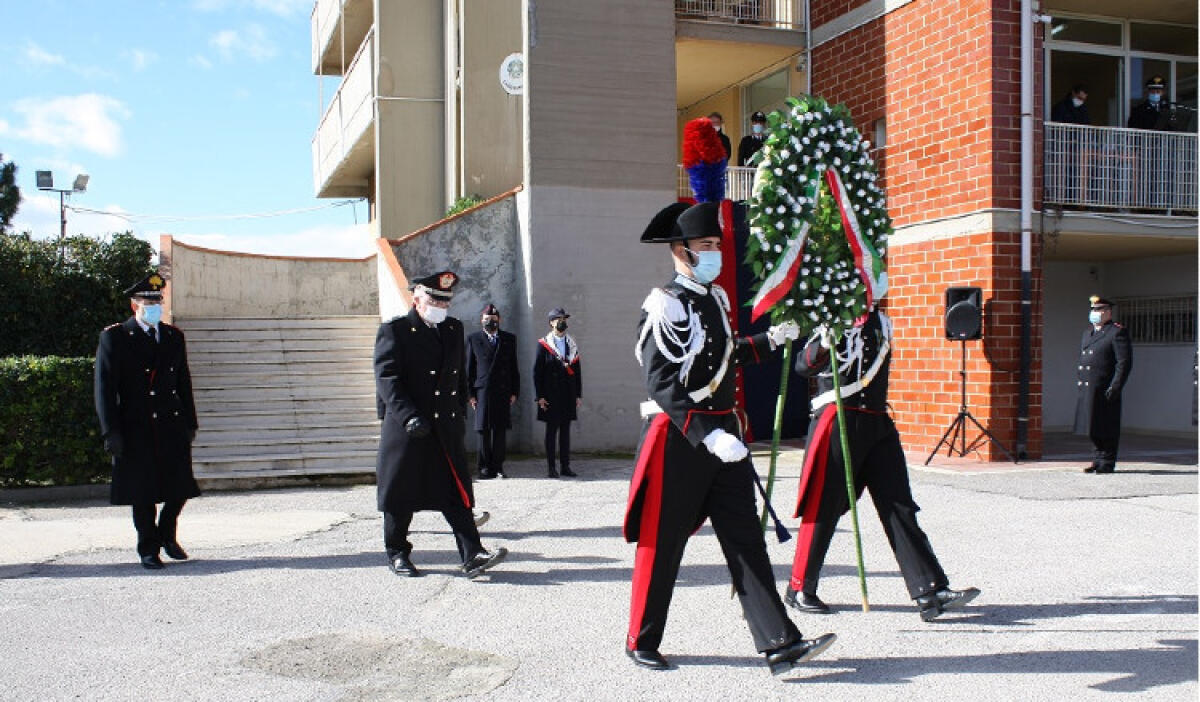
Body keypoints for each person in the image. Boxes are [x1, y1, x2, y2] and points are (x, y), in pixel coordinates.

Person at [623, 201, 835, 675]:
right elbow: (660, 381)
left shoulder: (715, 300)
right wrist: (706, 435)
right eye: (706, 246)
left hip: (726, 436)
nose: (716, 252)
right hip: (680, 438)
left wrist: (770, 341)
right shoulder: (665, 303)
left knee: (744, 539)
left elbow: (723, 357)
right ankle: (642, 638)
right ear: (680, 251)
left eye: (718, 244)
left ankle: (780, 643)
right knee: (664, 541)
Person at [786, 307, 980, 622]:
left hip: (877, 422)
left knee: (899, 506)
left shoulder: (882, 322)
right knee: (824, 506)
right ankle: (799, 588)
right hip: (838, 418)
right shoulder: (832, 317)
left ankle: (929, 591)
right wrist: (823, 341)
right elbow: (804, 366)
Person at [374, 271, 507, 579]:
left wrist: (459, 410)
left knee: (456, 492)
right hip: (409, 427)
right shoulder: (395, 331)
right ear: (416, 299)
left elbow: (457, 375)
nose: (439, 305)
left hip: (444, 426)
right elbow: (388, 380)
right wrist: (408, 416)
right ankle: (396, 553)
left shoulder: (452, 328)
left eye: (445, 301)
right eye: (433, 299)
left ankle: (473, 554)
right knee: (400, 493)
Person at [94, 271, 200, 570]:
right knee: (142, 492)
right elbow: (104, 389)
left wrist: (191, 421)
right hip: (135, 425)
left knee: (180, 487)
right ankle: (148, 548)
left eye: (157, 302)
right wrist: (110, 431)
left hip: (171, 423)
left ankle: (167, 533)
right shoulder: (114, 337)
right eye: (146, 302)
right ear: (134, 305)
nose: (153, 307)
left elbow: (183, 381)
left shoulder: (172, 336)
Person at [1074, 295, 1133, 474]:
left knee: (1106, 425)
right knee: (1092, 425)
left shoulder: (1116, 332)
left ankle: (1107, 461)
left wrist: (1115, 386)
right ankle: (1097, 458)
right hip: (1089, 386)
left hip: (1105, 386)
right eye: (1093, 310)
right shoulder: (1088, 333)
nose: (1095, 313)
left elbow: (1123, 363)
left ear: (1108, 312)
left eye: (1099, 310)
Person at [466, 303, 519, 480]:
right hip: (482, 392)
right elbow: (469, 369)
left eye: (494, 320)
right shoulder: (473, 339)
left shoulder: (509, 339)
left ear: (500, 320)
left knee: (500, 430)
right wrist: (470, 394)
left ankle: (498, 466)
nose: (490, 322)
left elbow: (513, 367)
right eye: (487, 319)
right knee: (483, 430)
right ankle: (483, 467)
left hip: (503, 390)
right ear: (481, 320)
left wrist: (515, 391)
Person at [533, 307, 582, 478]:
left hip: (567, 394)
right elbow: (537, 372)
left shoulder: (572, 343)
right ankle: (551, 467)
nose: (562, 321)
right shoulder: (544, 344)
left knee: (565, 432)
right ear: (551, 322)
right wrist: (539, 396)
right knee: (551, 431)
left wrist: (578, 395)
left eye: (564, 319)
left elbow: (577, 371)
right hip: (550, 395)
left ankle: (565, 466)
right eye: (558, 318)